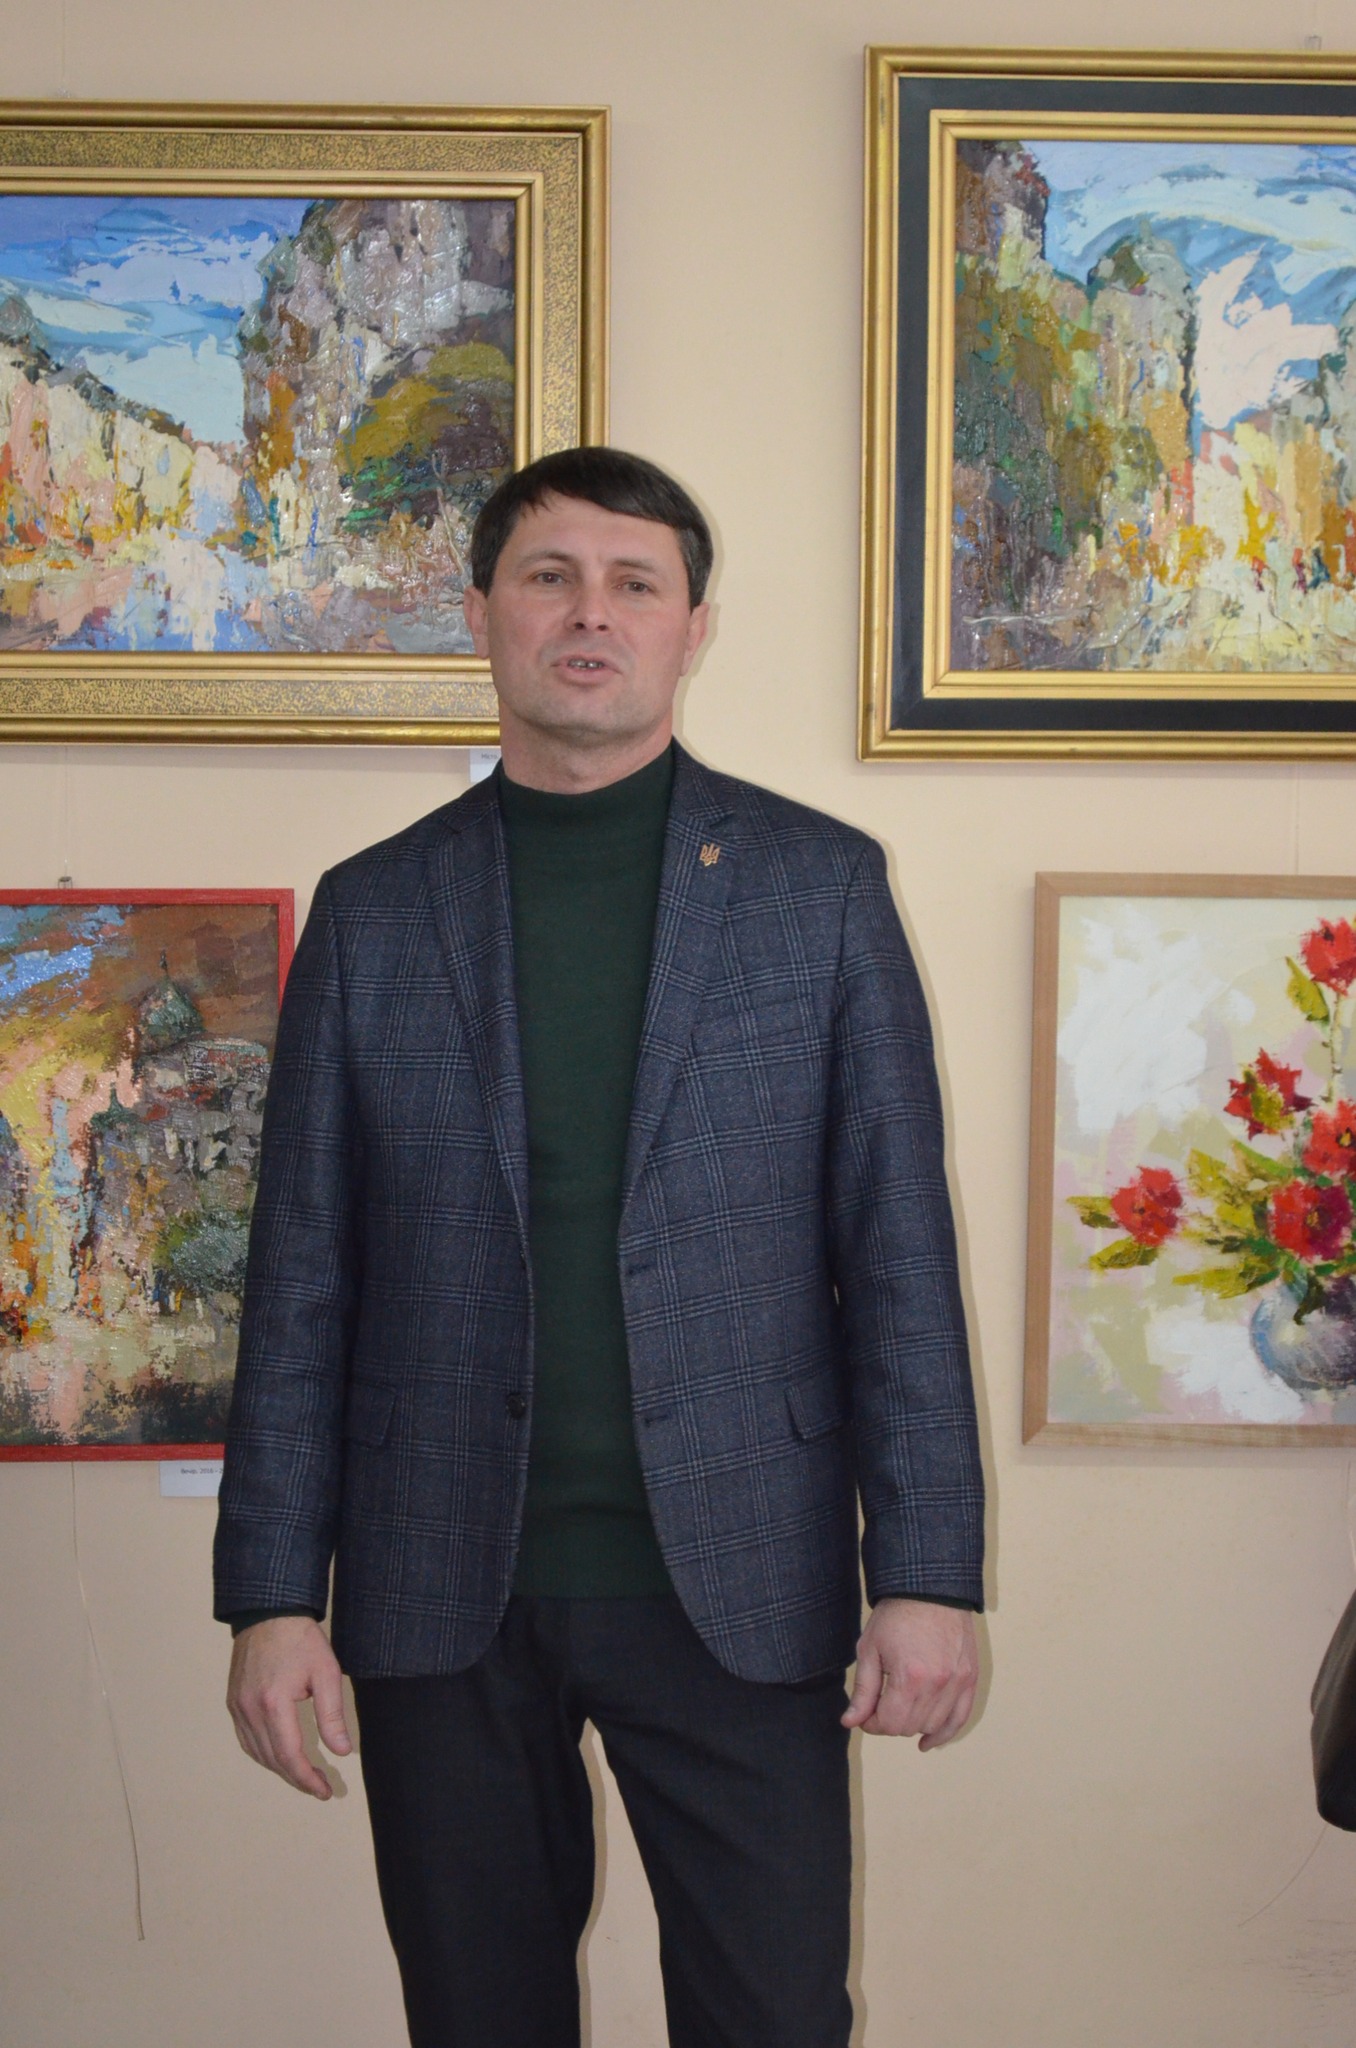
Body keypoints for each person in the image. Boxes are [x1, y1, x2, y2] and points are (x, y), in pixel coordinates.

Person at [213, 446, 985, 2048]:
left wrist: (924, 1576)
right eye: (549, 576)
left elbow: (899, 1258)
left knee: (774, 2017)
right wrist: (272, 1599)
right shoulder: (373, 912)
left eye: (636, 583)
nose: (591, 613)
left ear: (692, 627)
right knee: (478, 2017)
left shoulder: (821, 891)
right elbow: (299, 1286)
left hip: (740, 1575)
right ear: (482, 612)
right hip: (440, 1582)